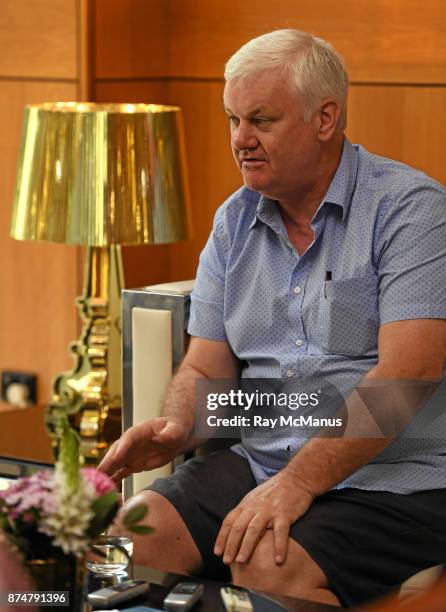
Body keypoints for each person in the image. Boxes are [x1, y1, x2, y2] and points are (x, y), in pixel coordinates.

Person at [99, 29, 446, 607]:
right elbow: (204, 365)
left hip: (397, 478)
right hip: (263, 459)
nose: (241, 140)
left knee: (270, 564)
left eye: (261, 120)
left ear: (325, 118)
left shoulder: (412, 213)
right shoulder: (233, 223)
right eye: (232, 119)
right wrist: (179, 425)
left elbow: (403, 384)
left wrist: (299, 483)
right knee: (130, 538)